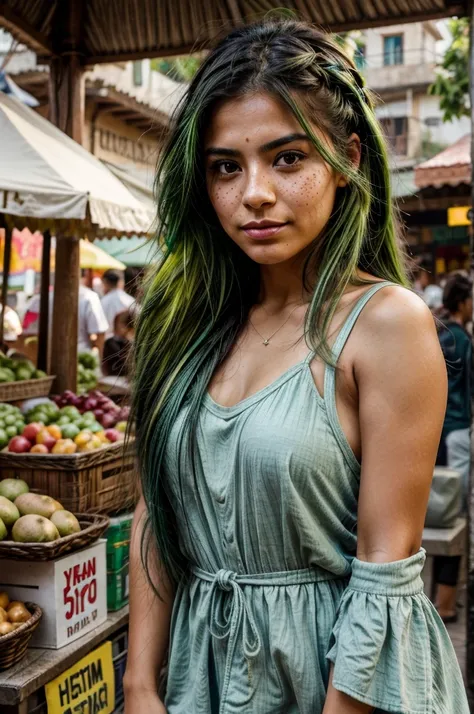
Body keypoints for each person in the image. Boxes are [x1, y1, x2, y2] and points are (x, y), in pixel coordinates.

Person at [125, 19, 469, 714]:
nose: (253, 192)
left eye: (287, 159)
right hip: (202, 677)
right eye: (227, 166)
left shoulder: (386, 324)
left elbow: (385, 571)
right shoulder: (189, 325)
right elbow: (152, 513)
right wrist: (139, 685)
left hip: (338, 682)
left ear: (345, 159)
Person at [434, 272, 472, 623]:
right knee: (455, 519)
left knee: (431, 516)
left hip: (430, 433)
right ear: (462, 302)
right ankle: (444, 602)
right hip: (458, 433)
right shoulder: (462, 338)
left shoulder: (435, 330)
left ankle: (434, 595)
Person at [78, 270, 109, 357]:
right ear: (84, 277)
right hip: (81, 356)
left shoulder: (46, 297)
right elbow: (100, 332)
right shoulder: (90, 296)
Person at [101, 269, 135, 340]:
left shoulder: (103, 301)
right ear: (121, 282)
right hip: (127, 343)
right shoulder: (130, 300)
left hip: (107, 342)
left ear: (105, 282)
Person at [102, 308, 135, 377]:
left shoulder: (131, 342)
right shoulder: (110, 342)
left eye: (117, 324)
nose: (114, 326)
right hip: (113, 378)